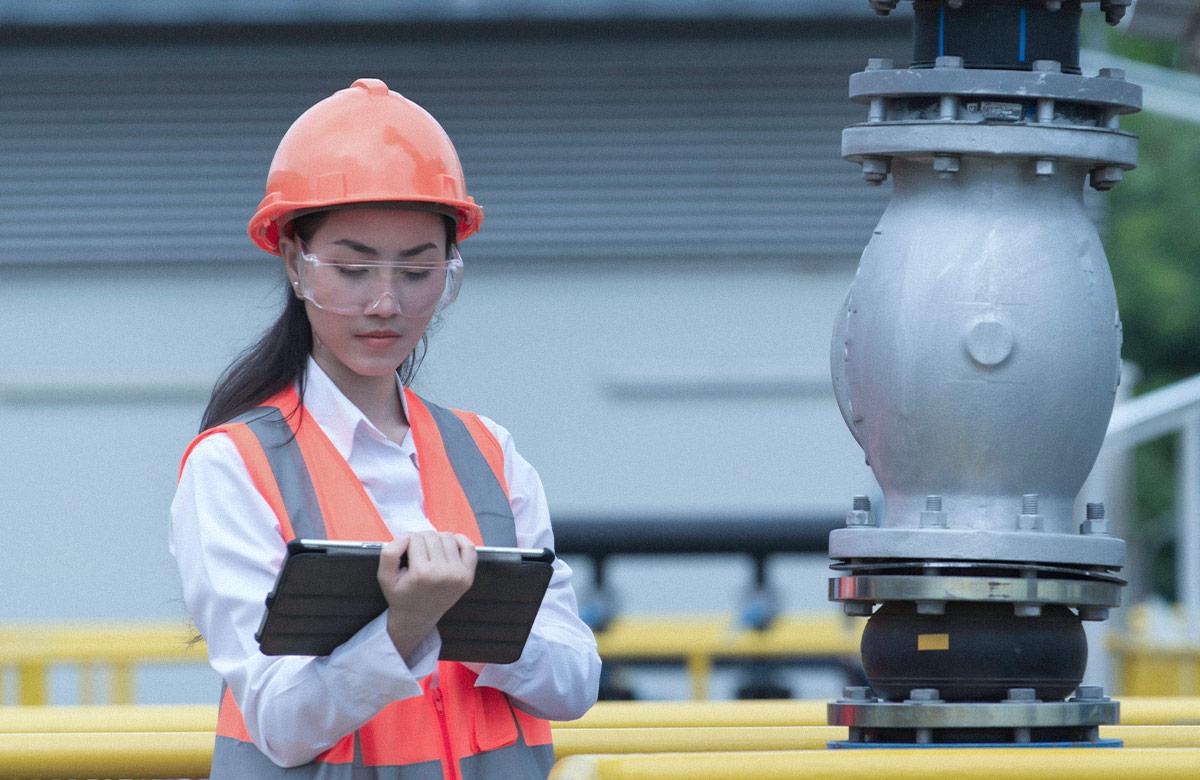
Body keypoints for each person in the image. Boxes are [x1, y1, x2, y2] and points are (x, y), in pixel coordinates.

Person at [170, 78, 601, 779]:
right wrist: (402, 628)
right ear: (293, 263)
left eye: (417, 270)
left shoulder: (490, 453)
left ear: (449, 270)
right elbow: (280, 724)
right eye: (351, 266)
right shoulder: (233, 465)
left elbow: (577, 681)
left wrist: (473, 620)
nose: (384, 300)